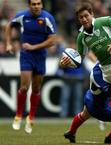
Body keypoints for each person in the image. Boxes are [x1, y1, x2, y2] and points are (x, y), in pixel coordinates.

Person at [60, 2, 111, 144]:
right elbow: (79, 61)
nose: (84, 19)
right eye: (81, 17)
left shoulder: (103, 21)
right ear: (78, 19)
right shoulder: (81, 37)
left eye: (86, 15)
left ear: (92, 14)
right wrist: (66, 64)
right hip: (105, 69)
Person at [5, 0, 57, 134]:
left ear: (42, 5)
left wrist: (34, 47)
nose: (36, 6)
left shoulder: (47, 18)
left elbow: (52, 40)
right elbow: (8, 26)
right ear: (29, 5)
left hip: (40, 57)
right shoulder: (22, 16)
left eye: (38, 3)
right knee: (24, 87)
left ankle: (31, 117)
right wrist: (9, 43)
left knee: (36, 88)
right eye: (33, 4)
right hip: (26, 56)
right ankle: (18, 116)